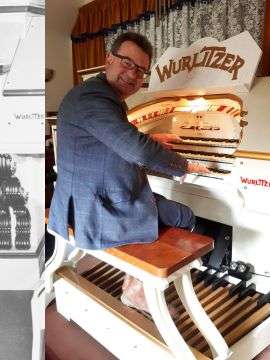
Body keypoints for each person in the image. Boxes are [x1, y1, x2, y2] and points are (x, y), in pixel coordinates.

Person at [48, 32, 209, 314]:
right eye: (126, 62)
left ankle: (135, 282)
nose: (132, 74)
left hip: (83, 196)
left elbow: (110, 137)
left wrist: (150, 141)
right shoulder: (93, 96)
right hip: (94, 208)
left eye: (140, 70)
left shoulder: (99, 93)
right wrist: (184, 166)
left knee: (157, 202)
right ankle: (137, 288)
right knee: (184, 215)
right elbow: (137, 150)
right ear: (108, 58)